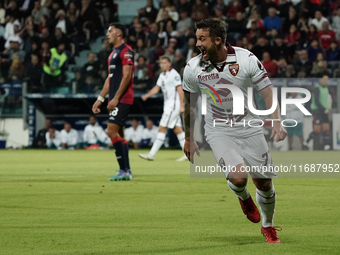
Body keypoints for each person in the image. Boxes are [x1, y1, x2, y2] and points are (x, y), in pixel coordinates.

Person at [182, 18, 287, 243]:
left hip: (250, 129)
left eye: (202, 39)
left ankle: (267, 226)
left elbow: (267, 92)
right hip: (219, 130)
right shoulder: (193, 68)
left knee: (265, 184)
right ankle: (244, 198)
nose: (197, 43)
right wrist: (189, 138)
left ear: (218, 40)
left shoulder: (246, 59)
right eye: (197, 38)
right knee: (239, 179)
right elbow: (189, 105)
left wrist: (276, 120)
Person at [92, 23, 134, 181]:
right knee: (120, 134)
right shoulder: (113, 53)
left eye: (110, 31)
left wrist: (116, 98)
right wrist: (100, 98)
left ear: (119, 34)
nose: (107, 34)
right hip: (115, 98)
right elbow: (110, 79)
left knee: (110, 131)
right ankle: (127, 170)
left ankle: (124, 170)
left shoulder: (126, 51)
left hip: (122, 98)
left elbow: (127, 76)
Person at [139, 55, 187, 162]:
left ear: (169, 63)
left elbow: (180, 89)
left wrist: (181, 105)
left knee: (162, 128)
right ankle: (188, 153)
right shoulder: (162, 75)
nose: (163, 65)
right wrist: (147, 95)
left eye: (165, 63)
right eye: (161, 63)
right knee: (177, 129)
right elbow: (156, 88)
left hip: (173, 106)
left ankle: (151, 154)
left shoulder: (174, 74)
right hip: (168, 106)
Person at [304, 74, 332, 150]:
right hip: (318, 111)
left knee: (326, 128)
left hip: (325, 111)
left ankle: (326, 146)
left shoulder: (326, 89)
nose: (326, 81)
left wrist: (327, 109)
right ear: (320, 80)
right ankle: (306, 142)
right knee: (317, 129)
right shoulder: (317, 88)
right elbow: (316, 101)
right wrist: (324, 109)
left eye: (327, 80)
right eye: (324, 79)